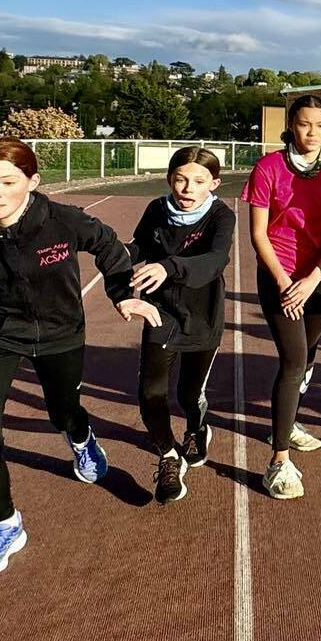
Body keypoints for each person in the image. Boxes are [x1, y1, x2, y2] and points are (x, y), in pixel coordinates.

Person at [0, 138, 160, 575]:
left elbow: (107, 245)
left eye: (7, 181)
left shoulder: (62, 221)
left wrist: (122, 294)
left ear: (32, 181)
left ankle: (81, 439)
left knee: (62, 412)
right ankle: (6, 525)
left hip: (60, 334)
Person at [242, 95, 321, 500]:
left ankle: (287, 422)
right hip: (279, 276)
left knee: (309, 353)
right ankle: (278, 460)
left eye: (320, 125)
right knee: (292, 361)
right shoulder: (268, 168)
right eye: (305, 124)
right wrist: (286, 281)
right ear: (292, 125)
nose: (312, 132)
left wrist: (313, 276)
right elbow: (258, 234)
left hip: (320, 277)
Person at [129, 146, 235, 505]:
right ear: (169, 180)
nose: (188, 188)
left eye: (198, 181)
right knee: (150, 393)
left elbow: (216, 260)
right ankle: (168, 456)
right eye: (180, 179)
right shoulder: (156, 210)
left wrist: (168, 267)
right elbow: (138, 247)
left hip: (204, 314)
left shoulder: (222, 215)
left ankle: (197, 429)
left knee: (190, 394)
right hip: (161, 314)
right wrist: (112, 256)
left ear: (214, 184)